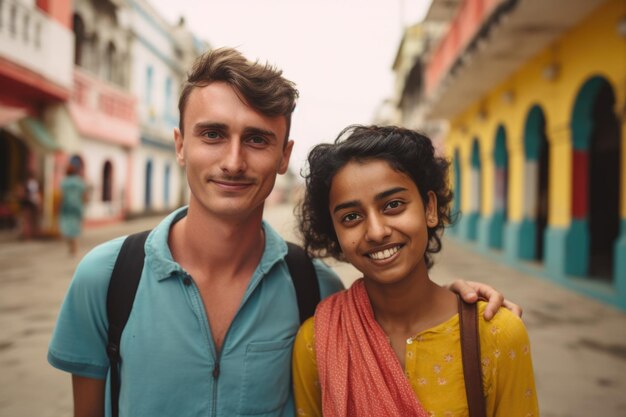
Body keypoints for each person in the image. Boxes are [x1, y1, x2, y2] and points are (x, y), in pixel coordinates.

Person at [48, 48, 517, 417]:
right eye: (212, 134)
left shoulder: (314, 289)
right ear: (180, 145)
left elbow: (404, 319)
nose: (233, 161)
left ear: (283, 154)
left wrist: (465, 304)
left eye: (256, 139)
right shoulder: (108, 279)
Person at [292, 125, 539, 417]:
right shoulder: (316, 342)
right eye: (351, 217)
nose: (376, 231)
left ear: (430, 208)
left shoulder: (496, 334)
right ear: (336, 234)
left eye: (393, 205)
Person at [59, 164, 87, 255]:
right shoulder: (80, 182)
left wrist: (58, 206)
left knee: (66, 227)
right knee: (75, 227)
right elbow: (84, 195)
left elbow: (62, 196)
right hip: (77, 207)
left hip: (66, 207)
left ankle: (71, 247)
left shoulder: (64, 182)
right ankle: (74, 247)